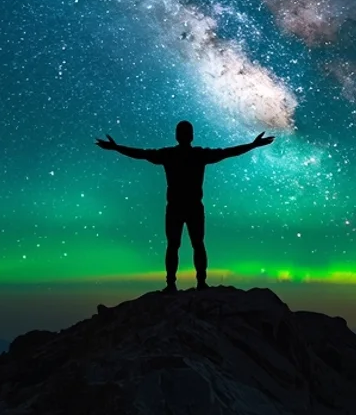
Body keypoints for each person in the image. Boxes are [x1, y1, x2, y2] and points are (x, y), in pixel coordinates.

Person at [96, 121, 274, 292]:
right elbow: (227, 152)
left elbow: (141, 154)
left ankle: (176, 284)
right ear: (191, 136)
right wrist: (252, 145)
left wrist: (116, 147)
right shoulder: (196, 154)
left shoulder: (170, 154)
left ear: (178, 136)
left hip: (179, 207)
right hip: (188, 207)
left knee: (179, 245)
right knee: (192, 244)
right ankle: (196, 283)